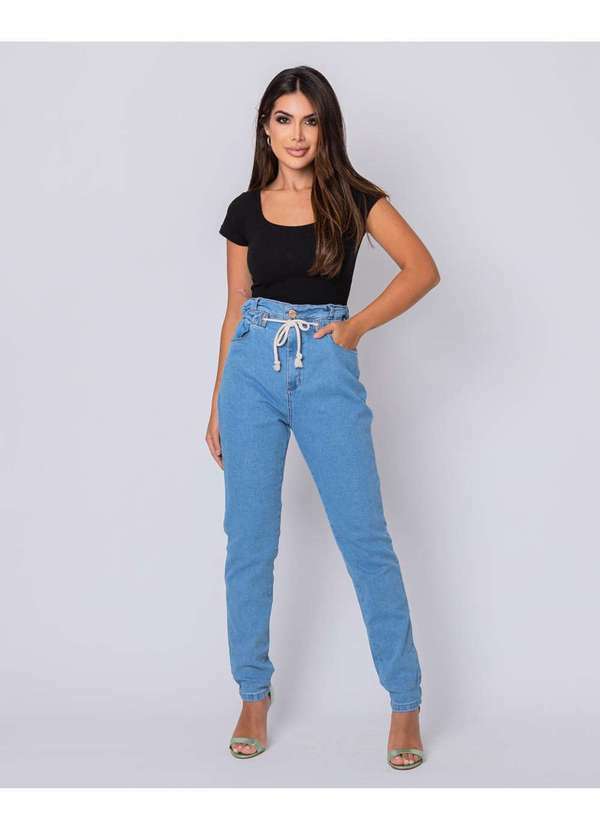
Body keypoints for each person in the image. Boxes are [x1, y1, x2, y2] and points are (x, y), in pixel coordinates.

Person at [206, 65, 440, 771]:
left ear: (326, 127)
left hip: (326, 367)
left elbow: (421, 269)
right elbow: (235, 307)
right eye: (284, 119)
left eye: (310, 120)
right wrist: (216, 402)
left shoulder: (355, 198)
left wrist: (355, 327)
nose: (297, 134)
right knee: (249, 543)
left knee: (364, 539)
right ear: (265, 128)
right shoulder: (245, 209)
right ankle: (253, 694)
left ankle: (404, 702)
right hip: (251, 370)